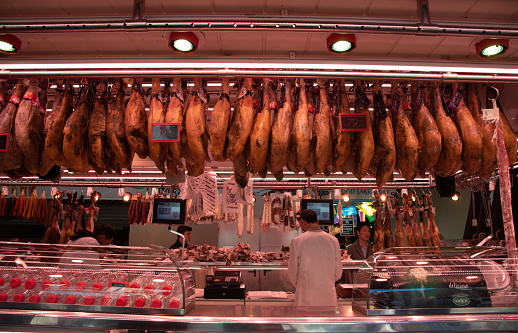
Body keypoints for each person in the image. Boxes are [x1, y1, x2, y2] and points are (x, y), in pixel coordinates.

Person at [288, 209, 342, 306]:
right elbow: (338, 274)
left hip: (305, 297)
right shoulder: (333, 240)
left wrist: (302, 285)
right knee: (327, 320)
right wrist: (326, 282)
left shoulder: (297, 241)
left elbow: (292, 273)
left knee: (306, 320)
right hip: (328, 297)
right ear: (317, 221)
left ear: (302, 222)